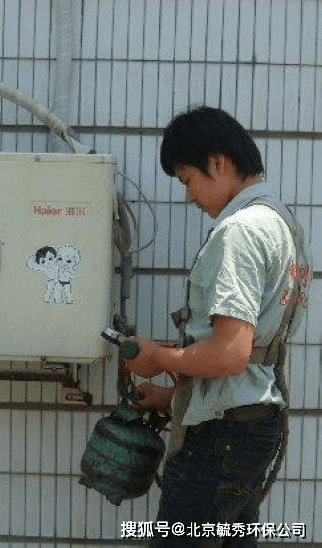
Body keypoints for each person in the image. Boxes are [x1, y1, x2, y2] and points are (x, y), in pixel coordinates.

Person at [122, 106, 312, 547]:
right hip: (252, 425)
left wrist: (158, 357)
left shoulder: (241, 231)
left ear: (219, 162)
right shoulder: (282, 223)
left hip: (222, 439)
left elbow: (230, 354)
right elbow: (253, 354)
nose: (189, 196)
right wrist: (175, 396)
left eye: (187, 179)